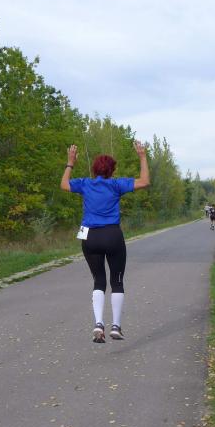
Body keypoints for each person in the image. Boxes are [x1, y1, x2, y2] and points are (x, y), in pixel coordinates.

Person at [60, 141, 150, 342]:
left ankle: (98, 324)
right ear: (112, 171)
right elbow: (144, 182)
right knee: (116, 281)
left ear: (94, 170)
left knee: (98, 280)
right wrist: (142, 156)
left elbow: (64, 185)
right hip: (112, 235)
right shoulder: (116, 185)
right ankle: (116, 327)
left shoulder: (85, 183)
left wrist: (70, 163)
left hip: (90, 237)